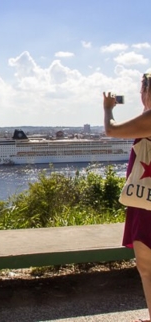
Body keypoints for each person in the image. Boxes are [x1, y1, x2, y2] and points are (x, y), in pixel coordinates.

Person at [103, 73, 151, 322]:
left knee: (146, 266)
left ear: (146, 91)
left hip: (146, 200)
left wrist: (107, 108)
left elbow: (111, 130)